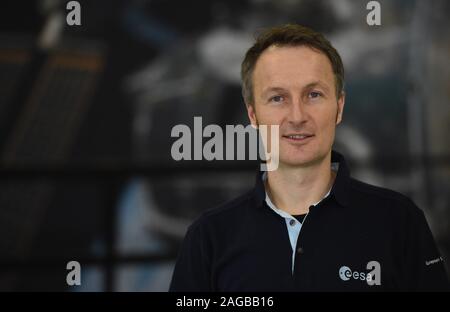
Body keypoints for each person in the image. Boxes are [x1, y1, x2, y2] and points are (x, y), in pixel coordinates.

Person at [169, 24, 449, 291]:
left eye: (313, 94)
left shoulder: (401, 221)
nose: (297, 116)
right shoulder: (208, 238)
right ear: (253, 114)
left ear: (339, 107)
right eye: (277, 98)